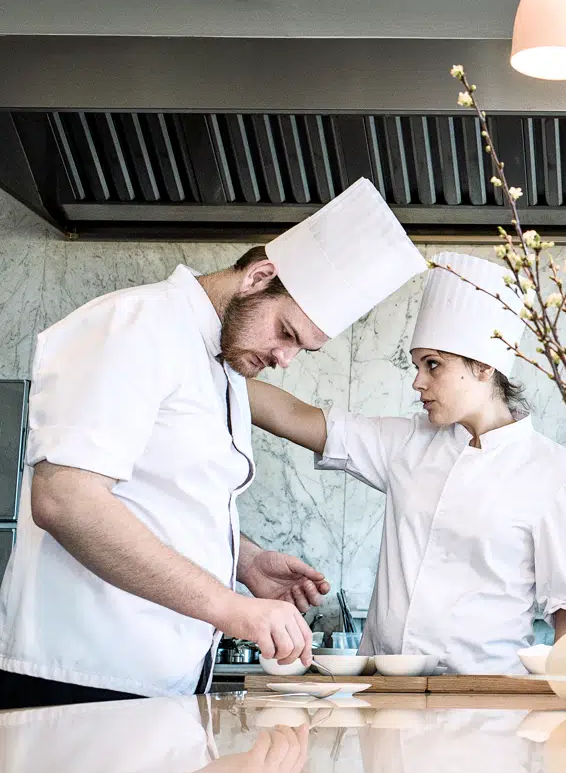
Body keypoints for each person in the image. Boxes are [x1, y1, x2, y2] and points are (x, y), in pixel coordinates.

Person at [0, 178, 426, 710]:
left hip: (159, 686)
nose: (285, 360)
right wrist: (232, 610)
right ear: (259, 277)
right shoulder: (136, 324)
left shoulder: (219, 365)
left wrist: (243, 560)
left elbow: (160, 498)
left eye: (303, 350)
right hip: (81, 676)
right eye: (287, 333)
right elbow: (66, 500)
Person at [249, 252, 566, 675]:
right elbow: (291, 417)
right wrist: (213, 367)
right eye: (417, 366)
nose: (417, 382)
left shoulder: (555, 471)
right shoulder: (407, 441)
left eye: (433, 365)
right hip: (384, 692)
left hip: (485, 706)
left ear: (485, 366)